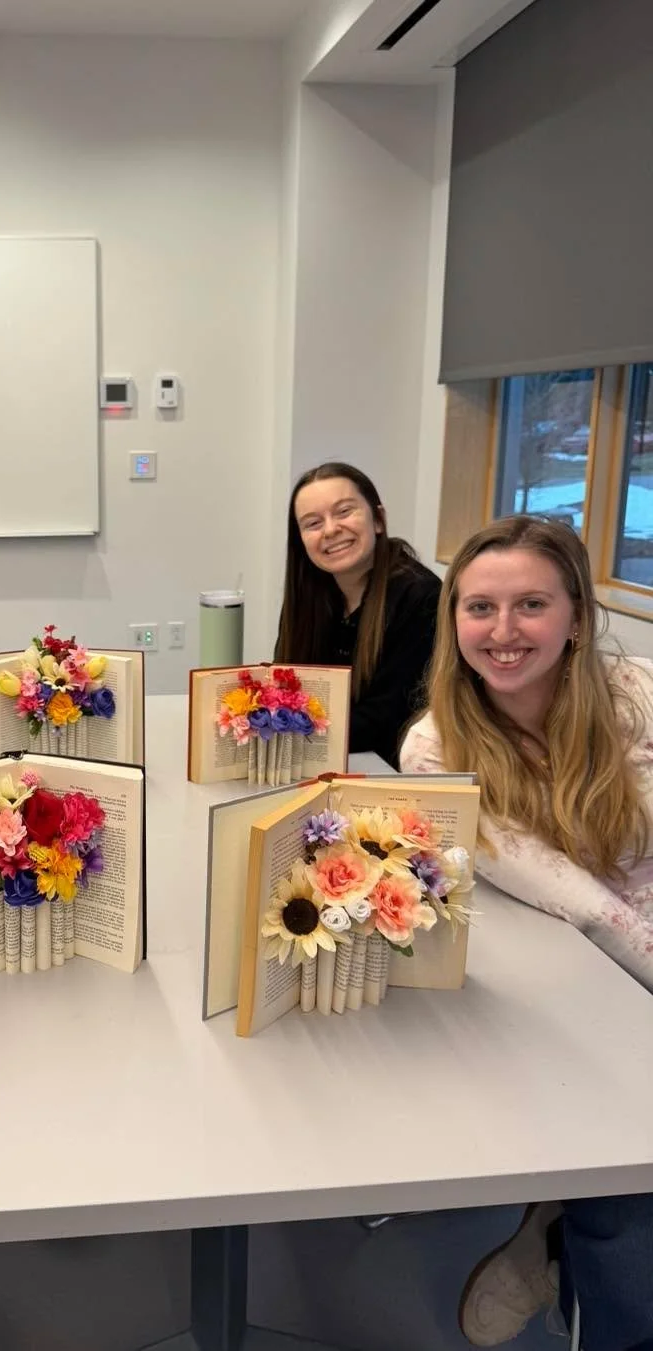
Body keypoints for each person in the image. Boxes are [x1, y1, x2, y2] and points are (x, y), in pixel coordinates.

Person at [401, 515, 653, 1351]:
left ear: (577, 616)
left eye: (531, 605)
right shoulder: (436, 750)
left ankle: (554, 1224)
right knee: (630, 1202)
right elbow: (580, 902)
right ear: (455, 623)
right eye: (481, 608)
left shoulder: (639, 696)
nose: (503, 632)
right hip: (569, 982)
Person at [275, 461, 441, 769]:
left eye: (344, 511)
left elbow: (389, 719)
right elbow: (286, 688)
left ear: (378, 519)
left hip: (389, 774)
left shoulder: (420, 595)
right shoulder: (309, 595)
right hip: (318, 761)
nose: (331, 529)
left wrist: (283, 730)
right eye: (312, 523)